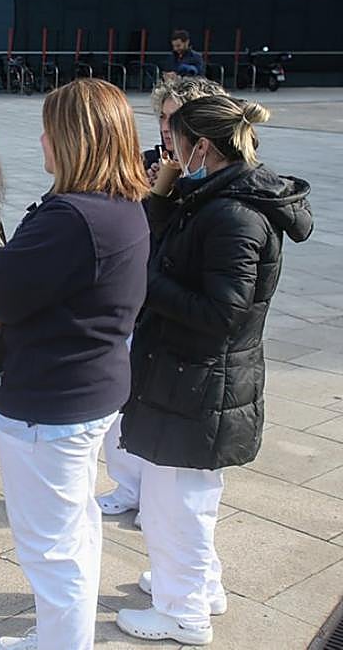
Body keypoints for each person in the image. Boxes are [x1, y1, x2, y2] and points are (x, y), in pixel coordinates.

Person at [116, 96, 312, 646]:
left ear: (201, 146)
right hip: (189, 379)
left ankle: (184, 615)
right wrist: (161, 193)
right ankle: (200, 586)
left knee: (177, 506)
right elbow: (160, 246)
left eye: (175, 142)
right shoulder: (211, 194)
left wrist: (145, 283)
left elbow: (224, 313)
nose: (168, 153)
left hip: (202, 382)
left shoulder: (233, 214)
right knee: (179, 501)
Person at [0, 78, 151, 650]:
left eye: (52, 129)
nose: (42, 139)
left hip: (53, 400)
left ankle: (63, 643)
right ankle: (56, 635)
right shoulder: (121, 205)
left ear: (74, 139)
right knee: (73, 533)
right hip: (82, 390)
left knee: (51, 547)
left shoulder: (73, 217)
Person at [99, 74, 227, 520]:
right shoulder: (150, 161)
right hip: (141, 303)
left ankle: (160, 510)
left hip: (177, 308)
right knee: (123, 402)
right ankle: (127, 484)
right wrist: (148, 192)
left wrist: (173, 195)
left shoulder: (213, 176)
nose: (165, 130)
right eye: (161, 118)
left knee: (169, 428)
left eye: (174, 120)